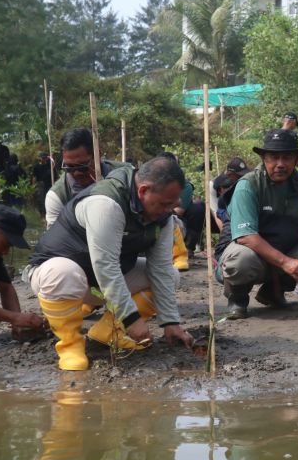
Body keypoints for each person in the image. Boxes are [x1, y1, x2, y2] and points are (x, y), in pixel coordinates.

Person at [26, 157, 193, 370]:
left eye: (173, 204)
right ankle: (71, 345)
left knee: (171, 274)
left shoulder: (163, 216)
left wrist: (171, 323)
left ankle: (107, 332)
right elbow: (107, 265)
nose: (169, 210)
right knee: (63, 273)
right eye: (164, 204)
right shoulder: (106, 203)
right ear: (143, 191)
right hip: (58, 276)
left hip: (100, 282)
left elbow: (159, 269)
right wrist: (132, 319)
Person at [219, 129, 298, 319]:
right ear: (264, 158)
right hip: (250, 252)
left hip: (285, 249)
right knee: (241, 260)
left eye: (287, 157)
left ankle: (273, 291)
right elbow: (246, 237)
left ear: (296, 160)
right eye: (274, 157)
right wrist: (286, 262)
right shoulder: (248, 186)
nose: (280, 164)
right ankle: (237, 297)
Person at [0, 205, 45, 338]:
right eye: (5, 245)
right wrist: (14, 317)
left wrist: (18, 323)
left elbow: (5, 287)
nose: (6, 252)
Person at [45, 128, 132, 228]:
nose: (76, 173)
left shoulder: (127, 175)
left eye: (82, 166)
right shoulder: (57, 197)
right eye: (69, 167)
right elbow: (56, 239)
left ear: (98, 155)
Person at [208, 157, 251, 231]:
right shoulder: (214, 185)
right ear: (230, 175)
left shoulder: (245, 183)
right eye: (239, 175)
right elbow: (215, 212)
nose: (242, 177)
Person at [32, 152, 55, 217]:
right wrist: (33, 187)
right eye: (42, 158)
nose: (43, 159)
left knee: (50, 199)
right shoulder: (36, 166)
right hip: (41, 185)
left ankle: (49, 212)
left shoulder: (50, 165)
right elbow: (34, 177)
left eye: (44, 158)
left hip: (49, 184)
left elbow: (54, 174)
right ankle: (42, 214)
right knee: (42, 200)